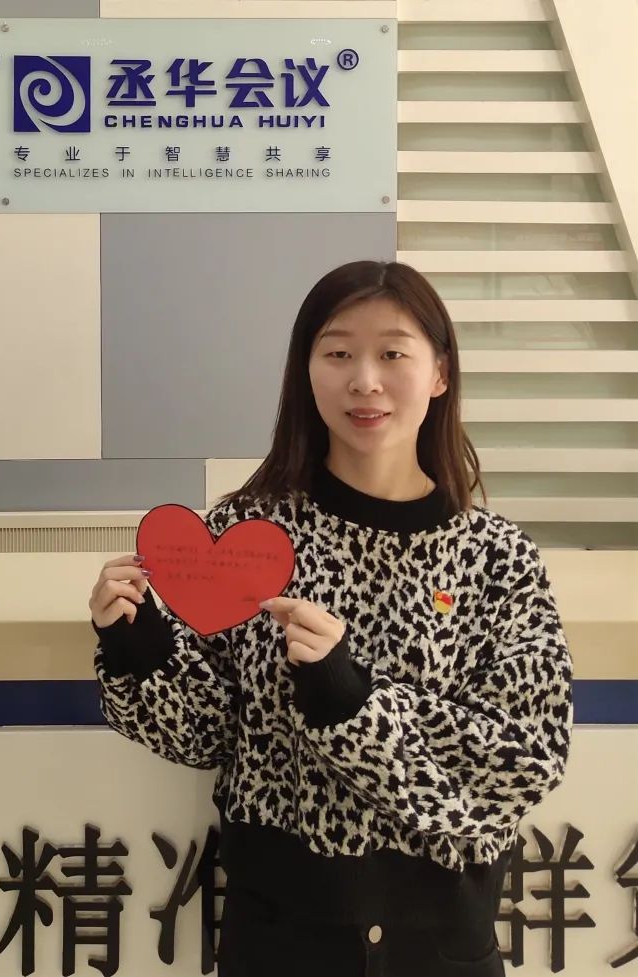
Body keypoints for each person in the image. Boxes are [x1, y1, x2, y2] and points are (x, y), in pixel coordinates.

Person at [88, 260, 573, 977]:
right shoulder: (247, 535)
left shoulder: (497, 557)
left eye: (393, 354)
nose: (364, 381)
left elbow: (523, 761)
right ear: (305, 372)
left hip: (440, 942)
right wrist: (141, 645)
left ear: (440, 372)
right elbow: (203, 735)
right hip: (279, 938)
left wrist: (351, 698)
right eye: (338, 353)